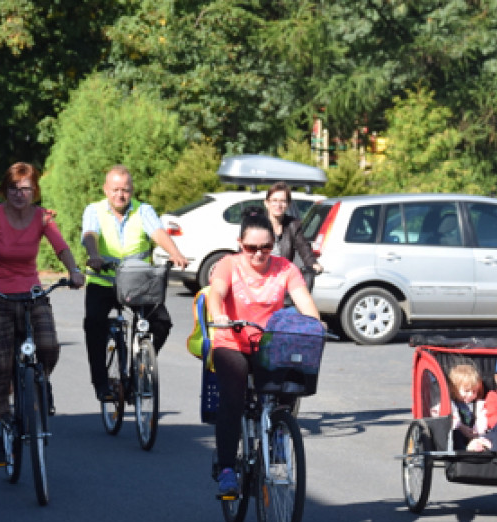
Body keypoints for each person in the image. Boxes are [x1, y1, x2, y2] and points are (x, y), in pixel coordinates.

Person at [0, 162, 84, 466]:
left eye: (25, 188)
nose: (19, 194)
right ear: (5, 190)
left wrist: (74, 270)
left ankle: (40, 382)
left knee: (48, 346)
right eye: (14, 188)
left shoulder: (42, 218)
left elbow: (61, 248)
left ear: (35, 191)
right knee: (1, 365)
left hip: (31, 294)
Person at [207, 208, 321, 497]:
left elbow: (304, 300)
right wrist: (219, 315)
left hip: (270, 345)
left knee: (289, 386)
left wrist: (315, 324)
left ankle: (278, 434)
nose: (259, 254)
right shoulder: (228, 265)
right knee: (233, 397)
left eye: (266, 247)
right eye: (251, 248)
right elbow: (216, 293)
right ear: (240, 244)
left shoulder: (285, 268)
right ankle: (227, 468)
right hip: (231, 341)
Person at [79, 164, 188, 402]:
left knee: (161, 323)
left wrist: (175, 253)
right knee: (94, 325)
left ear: (132, 190)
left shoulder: (143, 210)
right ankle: (101, 383)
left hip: (138, 282)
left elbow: (158, 232)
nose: (120, 195)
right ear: (106, 190)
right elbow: (90, 235)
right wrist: (94, 256)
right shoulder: (94, 210)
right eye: (115, 189)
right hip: (103, 281)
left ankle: (141, 365)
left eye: (125, 190)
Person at [263, 181, 322, 292]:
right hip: (261, 277)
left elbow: (303, 246)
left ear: (288, 204)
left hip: (282, 278)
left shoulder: (293, 224)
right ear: (266, 203)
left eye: (283, 201)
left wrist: (312, 263)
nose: (278, 205)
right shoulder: (257, 223)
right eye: (274, 200)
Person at [447, 363, 490, 451]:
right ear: (454, 389)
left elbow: (482, 419)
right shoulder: (451, 404)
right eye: (466, 391)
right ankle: (465, 449)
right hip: (459, 431)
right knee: (455, 433)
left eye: (474, 391)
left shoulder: (478, 405)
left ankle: (478, 446)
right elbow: (452, 420)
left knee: (486, 435)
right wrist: (461, 427)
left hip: (475, 433)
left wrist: (477, 431)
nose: (470, 394)